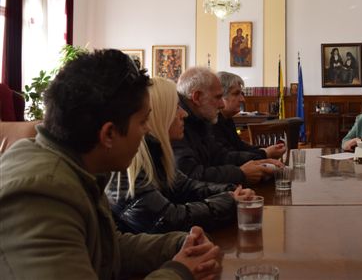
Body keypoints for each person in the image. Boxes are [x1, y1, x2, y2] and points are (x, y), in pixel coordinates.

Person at [0, 49, 220, 279]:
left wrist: (176, 244)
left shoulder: (79, 166)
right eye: (143, 121)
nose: (147, 130)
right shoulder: (43, 193)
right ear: (109, 134)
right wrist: (180, 272)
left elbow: (106, 249)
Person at [108, 77, 255, 234]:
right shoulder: (127, 167)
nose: (184, 113)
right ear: (159, 115)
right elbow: (167, 219)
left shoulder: (156, 153)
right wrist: (230, 201)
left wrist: (231, 191)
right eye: (176, 107)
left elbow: (187, 187)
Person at [173, 67, 283, 186]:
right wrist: (240, 173)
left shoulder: (201, 119)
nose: (222, 105)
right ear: (197, 97)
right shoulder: (175, 124)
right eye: (218, 97)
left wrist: (259, 160)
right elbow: (190, 176)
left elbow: (220, 156)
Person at [213, 71, 286, 159]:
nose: (242, 99)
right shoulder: (212, 123)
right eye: (236, 94)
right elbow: (229, 157)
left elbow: (240, 147)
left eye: (241, 94)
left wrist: (265, 149)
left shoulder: (227, 119)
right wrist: (265, 153)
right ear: (221, 96)